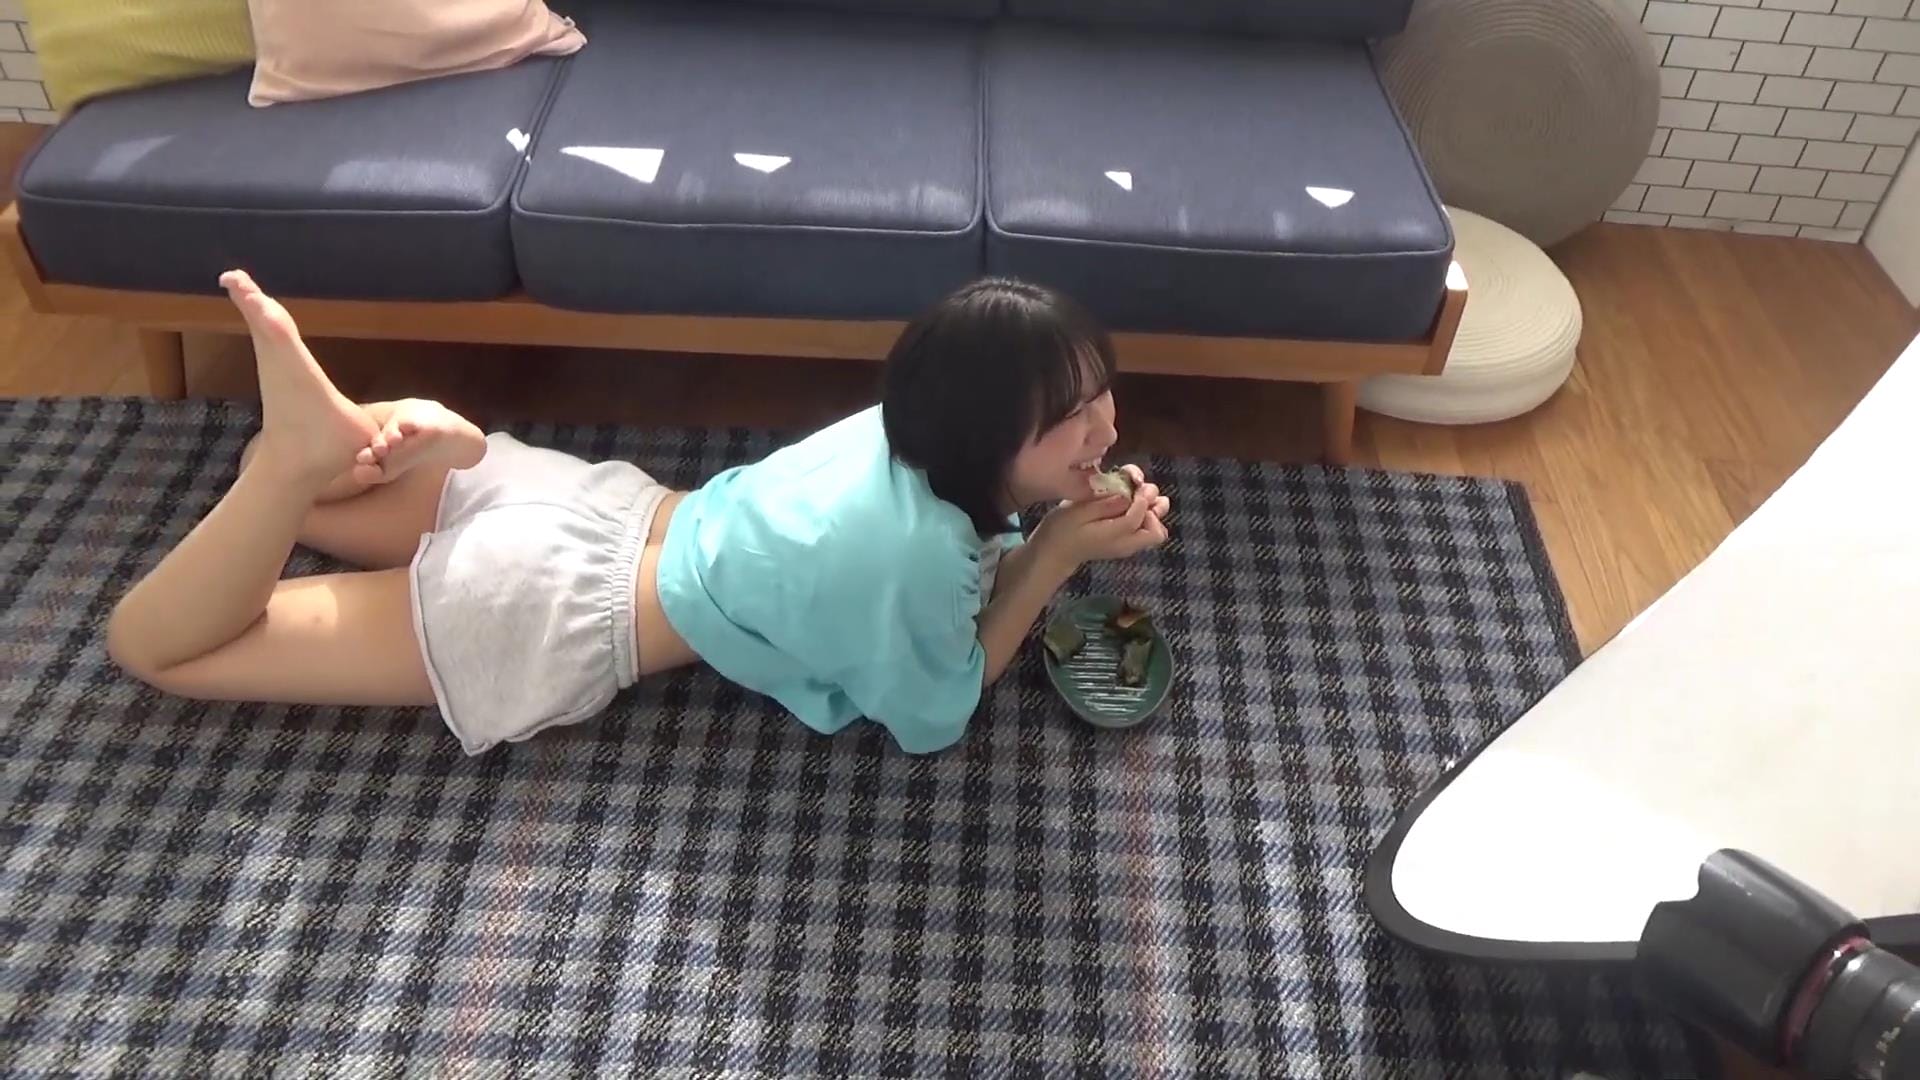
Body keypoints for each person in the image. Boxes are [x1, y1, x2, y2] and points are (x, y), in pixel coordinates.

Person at [106, 273, 1172, 754]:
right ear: (985, 444)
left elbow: (966, 538)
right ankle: (295, 467)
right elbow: (935, 714)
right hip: (547, 603)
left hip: (571, 498)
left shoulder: (905, 424)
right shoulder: (912, 560)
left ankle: (401, 446)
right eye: (1070, 420)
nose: (1105, 430)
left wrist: (1049, 516)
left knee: (285, 485)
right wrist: (1055, 555)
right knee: (158, 648)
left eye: (1099, 399)